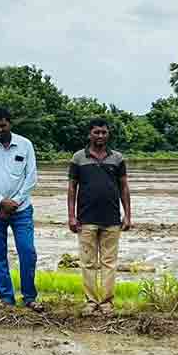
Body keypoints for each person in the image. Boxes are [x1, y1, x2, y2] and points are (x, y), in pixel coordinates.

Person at [68, 118, 133, 314]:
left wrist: (128, 215)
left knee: (109, 262)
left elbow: (124, 187)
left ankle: (106, 302)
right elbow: (72, 188)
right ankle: (90, 302)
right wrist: (71, 216)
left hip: (111, 219)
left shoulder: (117, 158)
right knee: (88, 262)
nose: (100, 136)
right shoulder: (78, 158)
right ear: (90, 134)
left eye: (104, 132)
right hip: (85, 219)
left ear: (108, 134)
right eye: (96, 132)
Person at [0, 108, 39, 309]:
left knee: (27, 251)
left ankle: (29, 297)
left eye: (3, 125)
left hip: (21, 210)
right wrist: (1, 201)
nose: (0, 129)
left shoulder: (25, 145)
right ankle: (6, 298)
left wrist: (15, 202)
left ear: (10, 123)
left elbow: (31, 178)